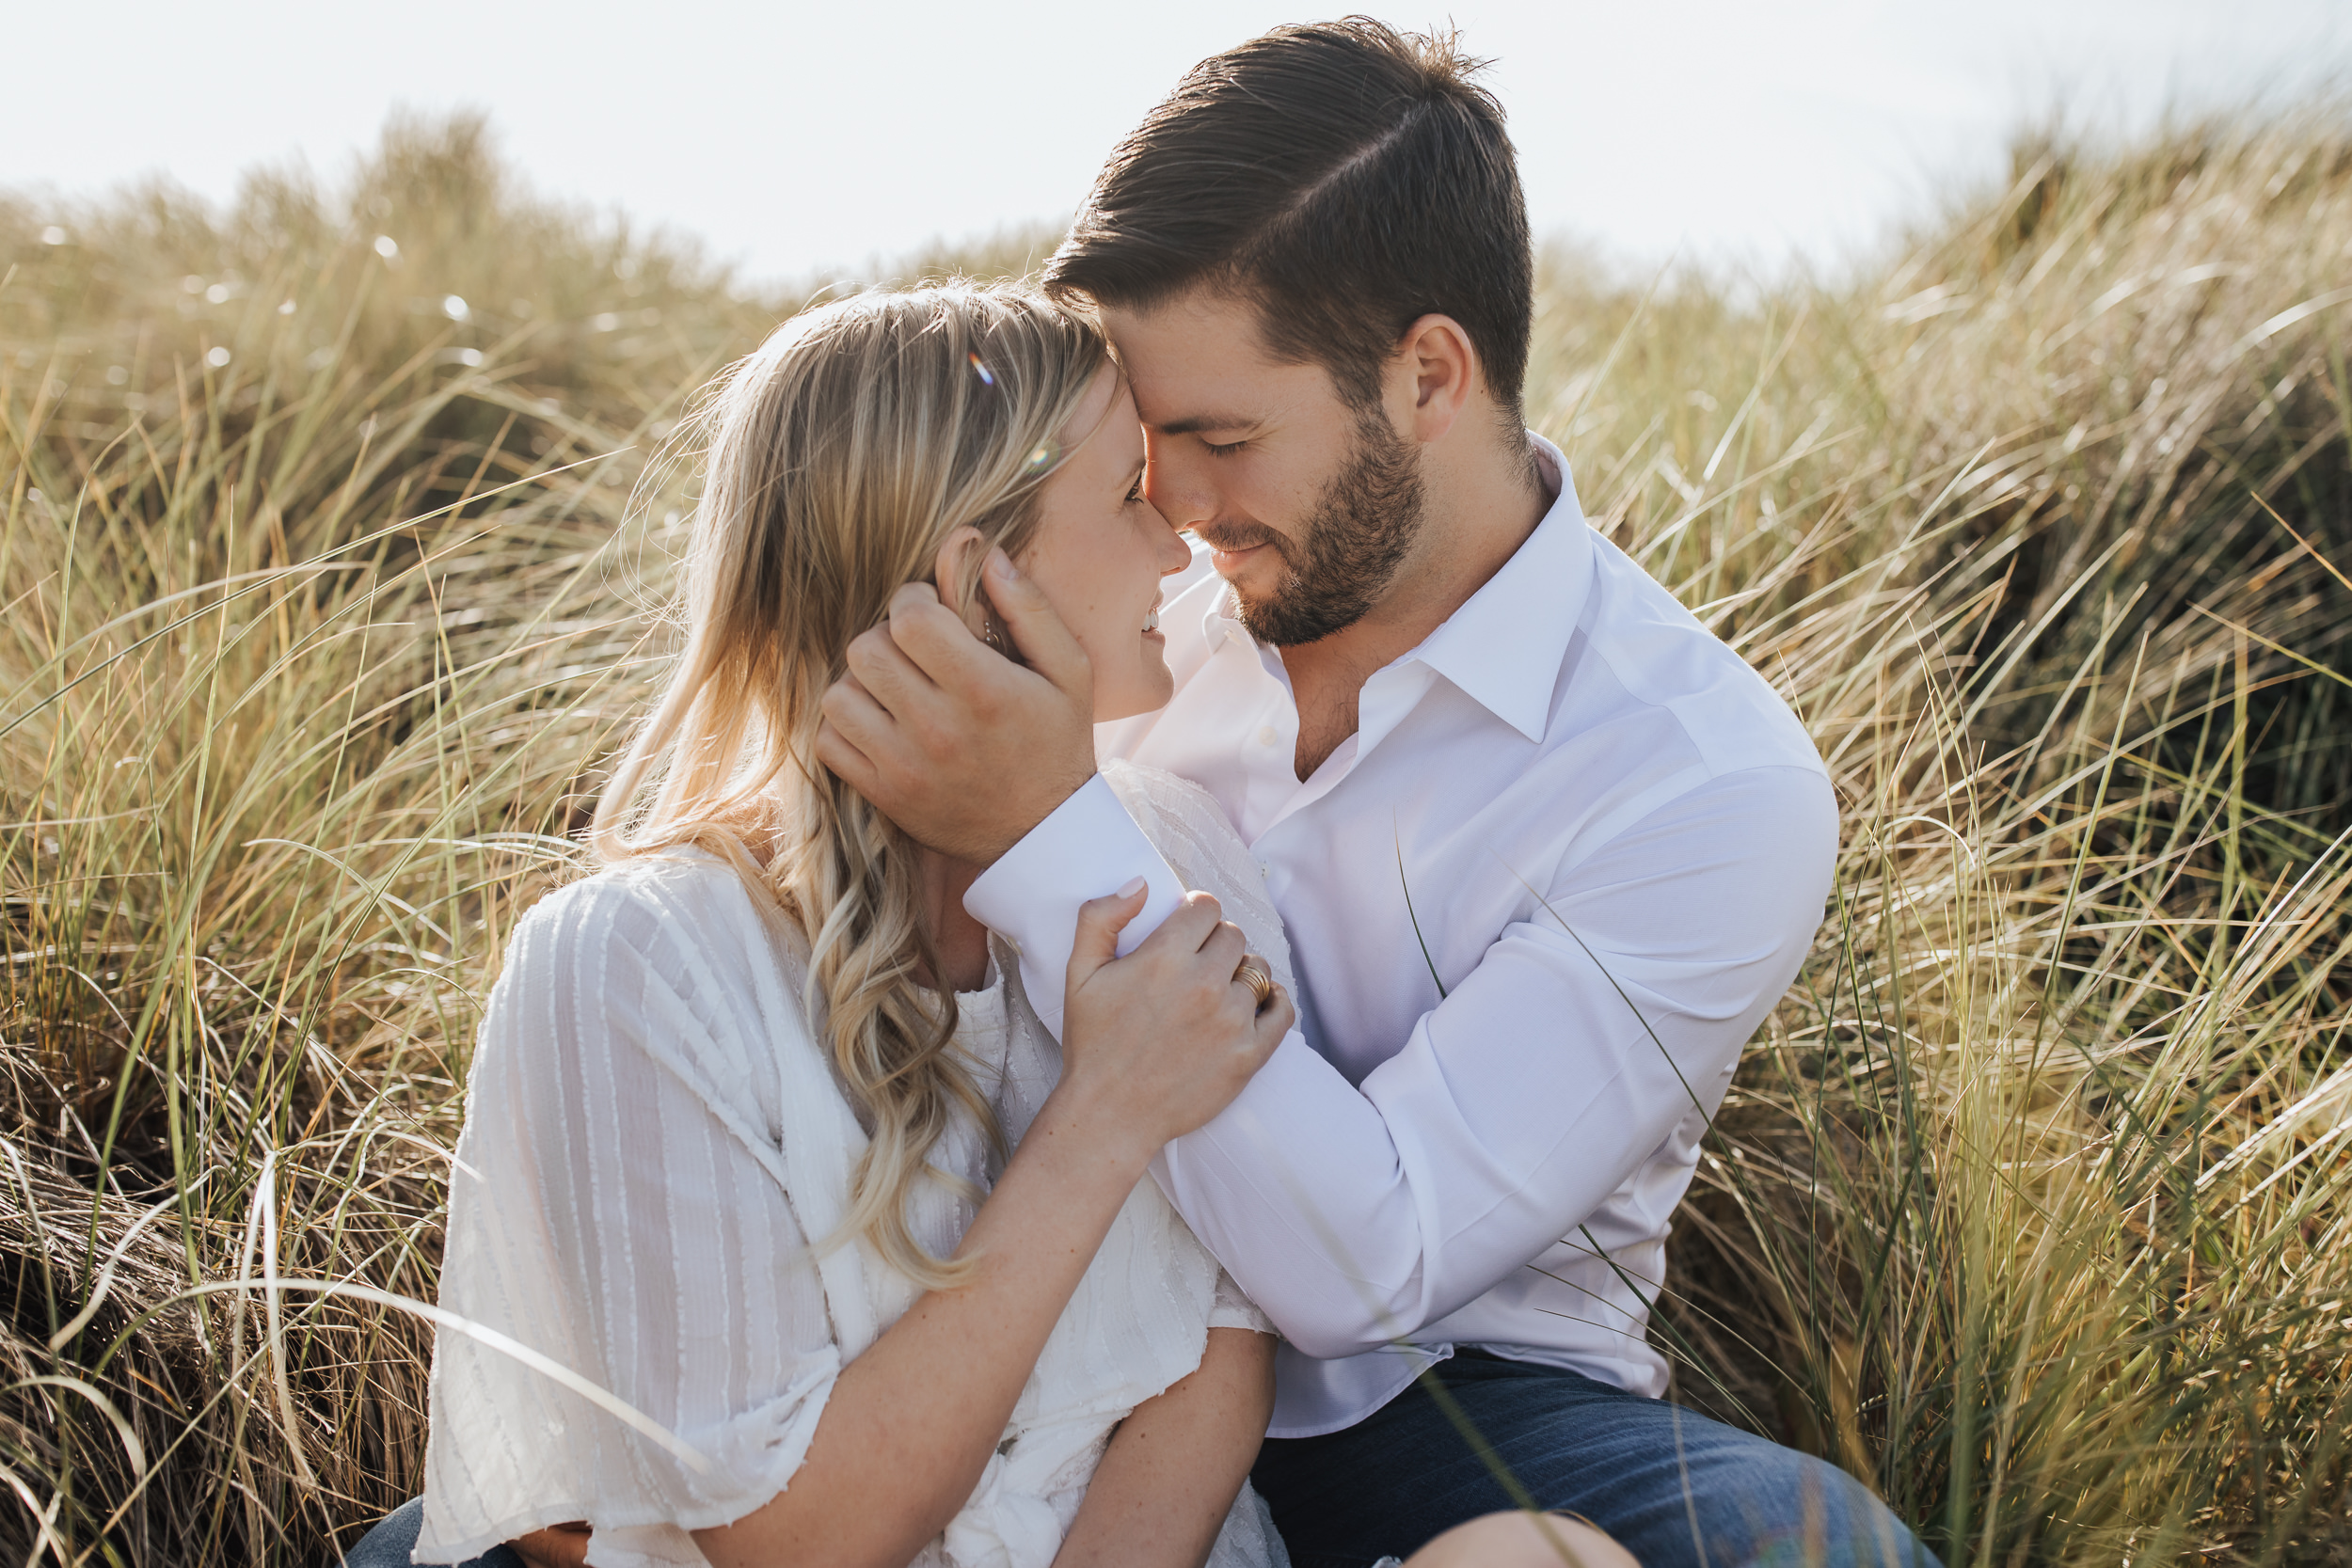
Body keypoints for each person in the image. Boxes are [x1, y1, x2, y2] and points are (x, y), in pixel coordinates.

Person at [812, 22, 1942, 1568]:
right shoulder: (1129, 604)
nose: (1181, 516)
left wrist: (1040, 825)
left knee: (1808, 1547)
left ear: (1428, 376)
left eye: (1221, 440)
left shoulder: (1700, 784)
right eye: (1146, 456)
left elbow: (1375, 1260)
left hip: (1440, 1400)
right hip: (1033, 1300)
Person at [343, 285, 1630, 1568]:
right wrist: (1103, 1119)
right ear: (981, 583)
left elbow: (1224, 1359)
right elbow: (794, 1543)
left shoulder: (1171, 851)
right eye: (1130, 496)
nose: (1178, 550)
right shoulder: (637, 961)